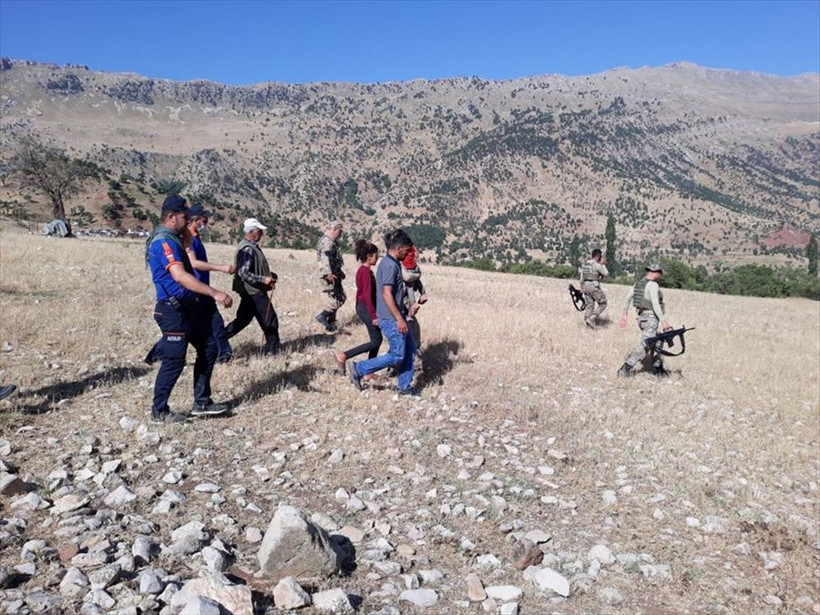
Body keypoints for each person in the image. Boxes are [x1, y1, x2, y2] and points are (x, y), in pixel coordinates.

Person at [145, 194, 233, 422]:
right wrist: (214, 292)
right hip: (171, 310)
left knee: (209, 348)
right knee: (174, 360)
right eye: (185, 216)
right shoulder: (163, 242)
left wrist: (186, 231)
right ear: (172, 217)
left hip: (186, 308)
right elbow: (180, 276)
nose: (189, 221)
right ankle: (159, 411)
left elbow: (188, 245)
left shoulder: (174, 238)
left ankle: (202, 402)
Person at [144, 203, 235, 364]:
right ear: (194, 220)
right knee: (213, 322)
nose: (205, 224)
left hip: (200, 288)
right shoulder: (186, 241)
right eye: (203, 220)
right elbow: (193, 263)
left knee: (192, 327)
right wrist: (220, 268)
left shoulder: (193, 238)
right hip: (196, 288)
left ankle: (156, 355)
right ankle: (224, 355)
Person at [348, 229, 419, 396]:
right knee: (397, 355)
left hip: (396, 316)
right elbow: (387, 293)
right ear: (399, 248)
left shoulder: (392, 264)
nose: (408, 253)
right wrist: (398, 319)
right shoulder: (389, 266)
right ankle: (359, 368)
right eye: (407, 250)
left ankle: (404, 386)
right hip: (391, 318)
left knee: (409, 349)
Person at [224, 218, 280, 355]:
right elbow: (243, 273)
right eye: (259, 231)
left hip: (249, 291)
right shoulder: (248, 248)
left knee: (242, 320)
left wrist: (269, 275)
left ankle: (218, 339)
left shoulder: (248, 245)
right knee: (270, 319)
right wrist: (263, 279)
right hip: (254, 291)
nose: (261, 233)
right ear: (252, 232)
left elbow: (250, 269)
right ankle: (273, 349)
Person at [334, 240, 382, 374]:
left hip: (364, 307)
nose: (377, 258)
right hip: (365, 308)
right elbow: (366, 295)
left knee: (377, 340)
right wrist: (373, 315)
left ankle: (369, 371)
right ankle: (343, 355)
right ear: (369, 256)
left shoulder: (363, 270)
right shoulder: (365, 272)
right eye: (376, 255)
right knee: (376, 341)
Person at [617, 263, 672, 377]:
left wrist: (624, 315)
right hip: (651, 318)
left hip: (642, 318)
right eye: (660, 273)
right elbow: (655, 303)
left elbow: (627, 299)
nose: (660, 275)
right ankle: (625, 369)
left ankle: (658, 369)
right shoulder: (653, 285)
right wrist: (663, 321)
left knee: (657, 342)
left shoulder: (638, 284)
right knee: (646, 344)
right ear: (656, 272)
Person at [316, 221, 346, 332]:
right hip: (329, 275)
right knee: (339, 298)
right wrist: (328, 274)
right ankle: (323, 316)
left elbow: (333, 259)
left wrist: (339, 271)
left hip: (334, 274)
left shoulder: (330, 241)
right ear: (334, 229)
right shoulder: (327, 242)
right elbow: (325, 259)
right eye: (340, 231)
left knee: (337, 297)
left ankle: (331, 323)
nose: (341, 234)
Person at [579, 248, 609, 328]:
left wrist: (582, 288)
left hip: (585, 286)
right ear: (598, 256)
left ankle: (587, 322)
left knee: (590, 305)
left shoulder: (585, 265)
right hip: (594, 286)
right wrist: (603, 264)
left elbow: (581, 279)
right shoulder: (597, 265)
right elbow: (606, 274)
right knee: (603, 303)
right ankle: (592, 318)